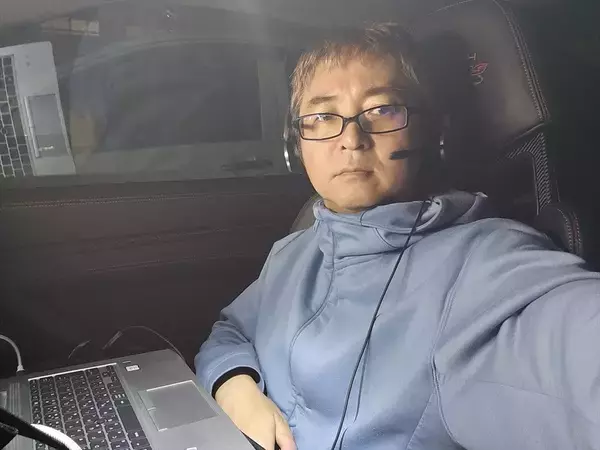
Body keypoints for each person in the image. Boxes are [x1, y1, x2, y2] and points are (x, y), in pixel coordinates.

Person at [195, 23, 600, 450]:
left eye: (382, 110)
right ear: (295, 144)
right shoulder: (296, 248)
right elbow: (231, 331)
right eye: (322, 116)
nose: (351, 139)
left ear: (432, 134)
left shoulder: (484, 266)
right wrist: (235, 387)